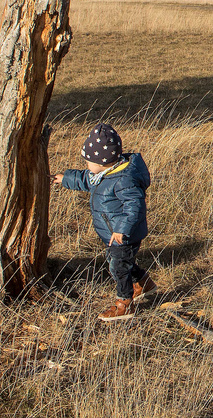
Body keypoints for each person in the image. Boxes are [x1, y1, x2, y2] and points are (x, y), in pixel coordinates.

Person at [55, 122, 155, 322]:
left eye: (88, 162)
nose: (87, 166)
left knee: (118, 267)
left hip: (123, 235)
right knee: (119, 262)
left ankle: (124, 303)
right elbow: (85, 179)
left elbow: (134, 207)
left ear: (102, 161)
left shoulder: (123, 179)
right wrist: (65, 178)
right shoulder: (103, 173)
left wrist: (121, 230)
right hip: (112, 234)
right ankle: (144, 283)